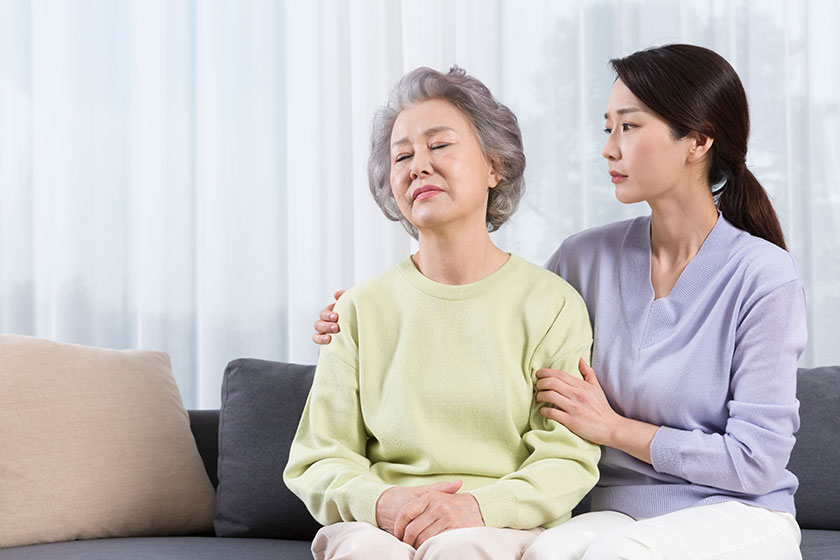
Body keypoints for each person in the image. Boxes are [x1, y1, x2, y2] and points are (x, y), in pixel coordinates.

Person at [313, 44, 807, 559]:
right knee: (547, 554)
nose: (609, 149)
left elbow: (757, 460)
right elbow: (495, 308)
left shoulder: (763, 276)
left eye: (629, 127)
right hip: (619, 510)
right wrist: (369, 311)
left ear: (698, 140)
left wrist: (615, 428)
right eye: (607, 128)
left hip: (736, 510)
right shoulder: (585, 259)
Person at [284, 66, 600, 560]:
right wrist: (384, 502)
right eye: (402, 155)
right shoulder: (360, 311)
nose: (418, 166)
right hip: (383, 526)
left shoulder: (551, 305)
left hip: (502, 526)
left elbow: (568, 458)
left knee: (459, 550)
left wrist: (477, 507)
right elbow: (318, 458)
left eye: (440, 145)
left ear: (495, 166)